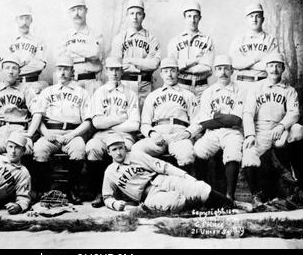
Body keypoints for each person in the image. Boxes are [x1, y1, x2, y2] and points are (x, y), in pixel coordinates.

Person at [102, 134, 251, 212]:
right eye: (114, 149)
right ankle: (208, 207)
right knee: (174, 202)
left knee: (199, 187)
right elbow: (106, 196)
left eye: (121, 147)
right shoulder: (109, 173)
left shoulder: (135, 155)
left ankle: (233, 204)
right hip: (149, 196)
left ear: (125, 147)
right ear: (109, 152)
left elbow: (164, 167)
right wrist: (115, 204)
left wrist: (185, 176)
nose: (119, 152)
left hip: (162, 180)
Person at [242, 52, 303, 207]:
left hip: (280, 127)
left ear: (283, 68)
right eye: (271, 66)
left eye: (278, 66)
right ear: (266, 68)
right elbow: (248, 113)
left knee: (299, 129)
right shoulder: (256, 88)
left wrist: (282, 126)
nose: (274, 69)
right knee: (249, 155)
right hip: (261, 128)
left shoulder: (289, 90)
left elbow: (294, 113)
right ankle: (255, 195)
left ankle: (300, 184)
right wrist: (250, 134)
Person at [30, 55, 93, 204]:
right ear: (56, 72)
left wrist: (72, 135)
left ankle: (72, 189)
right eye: (59, 69)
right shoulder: (47, 92)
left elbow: (88, 122)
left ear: (72, 71)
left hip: (73, 132)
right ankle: (45, 190)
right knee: (39, 148)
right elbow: (38, 118)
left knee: (79, 149)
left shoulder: (82, 92)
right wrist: (46, 133)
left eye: (66, 69)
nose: (63, 72)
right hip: (50, 132)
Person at [86, 55, 140, 207]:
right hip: (102, 134)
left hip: (124, 134)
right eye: (111, 69)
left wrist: (109, 124)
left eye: (117, 69)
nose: (114, 73)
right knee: (92, 148)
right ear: (106, 71)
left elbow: (134, 124)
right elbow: (96, 123)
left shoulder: (130, 94)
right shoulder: (99, 92)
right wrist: (120, 118)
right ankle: (99, 192)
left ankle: (124, 192)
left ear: (122, 71)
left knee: (128, 150)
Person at [192, 55, 245, 200]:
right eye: (219, 69)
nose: (223, 72)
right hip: (212, 132)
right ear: (215, 71)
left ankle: (229, 196)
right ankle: (203, 194)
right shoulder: (208, 92)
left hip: (233, 132)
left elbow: (236, 119)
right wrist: (223, 118)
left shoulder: (240, 90)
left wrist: (216, 116)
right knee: (198, 150)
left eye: (226, 69)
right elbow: (205, 121)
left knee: (233, 153)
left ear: (232, 70)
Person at [131, 57, 197, 169]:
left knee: (187, 155)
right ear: (161, 73)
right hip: (158, 134)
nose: (169, 75)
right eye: (166, 71)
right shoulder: (152, 95)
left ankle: (182, 184)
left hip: (179, 134)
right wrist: (153, 134)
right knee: (136, 150)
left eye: (172, 71)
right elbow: (145, 124)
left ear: (178, 72)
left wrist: (186, 134)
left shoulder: (188, 95)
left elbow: (197, 122)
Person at [0, 52, 37, 155]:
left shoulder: (26, 89)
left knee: (26, 148)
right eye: (7, 68)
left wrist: (29, 133)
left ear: (19, 71)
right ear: (1, 70)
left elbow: (37, 112)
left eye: (14, 68)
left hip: (18, 130)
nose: (10, 71)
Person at [110, 0, 161, 108]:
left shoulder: (151, 39)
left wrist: (129, 60)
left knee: (144, 119)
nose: (135, 17)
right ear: (127, 15)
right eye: (132, 13)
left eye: (138, 14)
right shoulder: (119, 38)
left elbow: (153, 64)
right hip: (125, 83)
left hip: (145, 85)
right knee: (125, 118)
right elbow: (117, 64)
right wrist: (142, 66)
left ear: (144, 15)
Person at [168, 2, 214, 102]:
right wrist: (195, 61)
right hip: (181, 85)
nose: (192, 20)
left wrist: (182, 65)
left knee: (203, 116)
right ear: (184, 18)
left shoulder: (207, 40)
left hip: (202, 87)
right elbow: (172, 66)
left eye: (195, 16)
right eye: (189, 16)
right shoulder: (175, 41)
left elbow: (207, 67)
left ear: (200, 18)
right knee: (181, 116)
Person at [57, 0, 104, 95]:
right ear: (69, 13)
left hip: (91, 82)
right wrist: (86, 54)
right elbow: (60, 58)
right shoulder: (64, 36)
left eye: (80, 9)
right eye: (73, 10)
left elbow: (95, 53)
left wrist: (71, 48)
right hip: (70, 82)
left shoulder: (96, 34)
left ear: (86, 11)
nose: (77, 13)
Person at [0, 4, 48, 95]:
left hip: (32, 84)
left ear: (31, 20)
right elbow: (2, 66)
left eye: (27, 18)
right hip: (12, 85)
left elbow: (40, 65)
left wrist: (15, 67)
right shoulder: (7, 41)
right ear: (16, 20)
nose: (24, 22)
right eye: (21, 18)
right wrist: (26, 63)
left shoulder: (39, 41)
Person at [229, 3, 280, 92]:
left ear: (263, 19)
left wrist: (245, 64)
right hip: (241, 85)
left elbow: (271, 66)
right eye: (251, 16)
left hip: (263, 84)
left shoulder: (271, 40)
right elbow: (234, 63)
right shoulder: (238, 40)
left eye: (258, 16)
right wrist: (255, 60)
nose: (254, 19)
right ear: (246, 19)